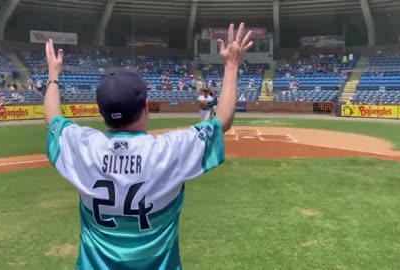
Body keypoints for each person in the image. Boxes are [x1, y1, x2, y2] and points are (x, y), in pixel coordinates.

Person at [43, 22, 253, 270]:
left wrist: (53, 76)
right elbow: (222, 122)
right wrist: (231, 66)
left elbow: (52, 119)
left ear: (102, 112)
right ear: (145, 107)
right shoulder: (168, 150)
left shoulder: (83, 146)